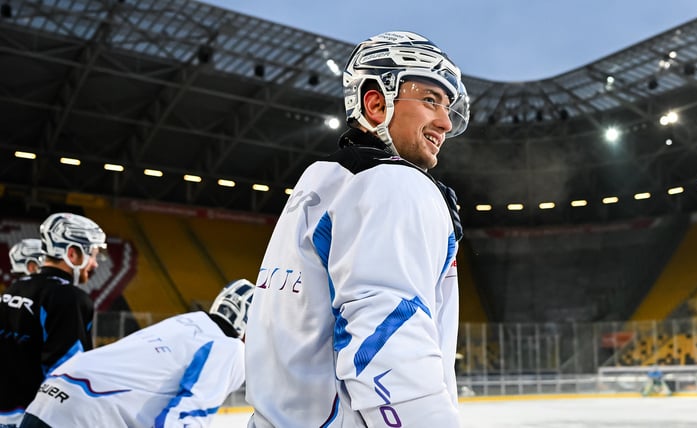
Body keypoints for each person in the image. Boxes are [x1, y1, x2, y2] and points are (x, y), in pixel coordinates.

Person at [245, 30, 468, 428]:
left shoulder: (320, 180)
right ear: (376, 103)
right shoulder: (395, 183)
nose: (446, 122)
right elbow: (385, 336)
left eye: (448, 105)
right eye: (431, 100)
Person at [19, 279, 254, 428]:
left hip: (50, 394)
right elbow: (184, 419)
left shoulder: (186, 322)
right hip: (86, 414)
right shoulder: (230, 347)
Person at [0, 213, 106, 427]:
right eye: (93, 255)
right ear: (72, 254)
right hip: (33, 417)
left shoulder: (13, 289)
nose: (94, 264)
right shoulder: (70, 298)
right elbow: (68, 370)